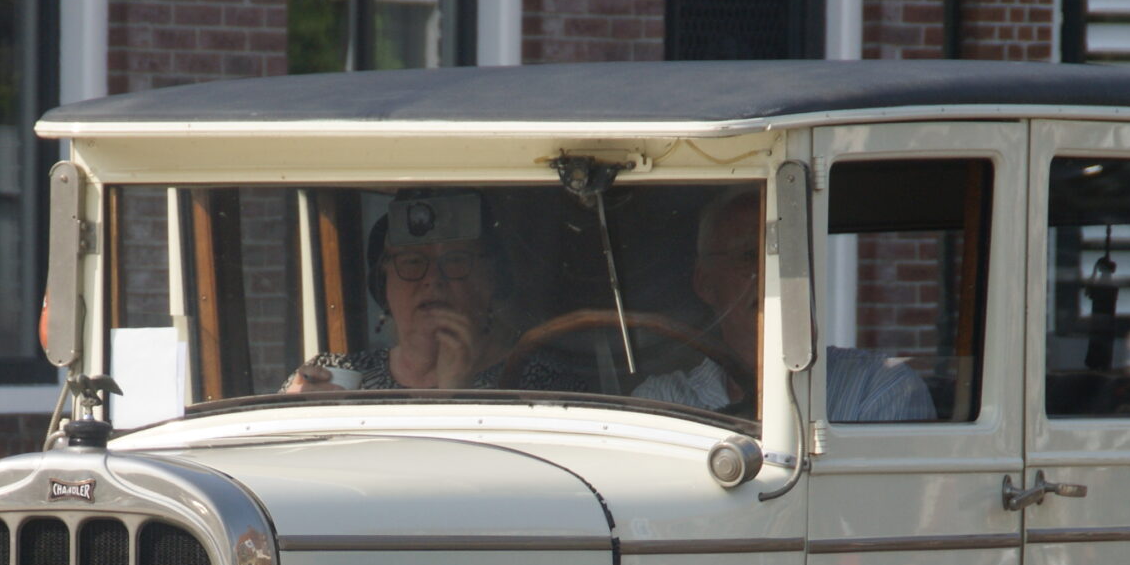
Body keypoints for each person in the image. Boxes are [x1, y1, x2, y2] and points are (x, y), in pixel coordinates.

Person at [634, 189, 936, 423]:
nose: (772, 274)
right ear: (705, 283)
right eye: (749, 255)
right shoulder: (661, 403)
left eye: (787, 258)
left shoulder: (879, 388)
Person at [284, 192, 569, 394]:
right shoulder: (334, 372)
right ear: (384, 283)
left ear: (493, 278)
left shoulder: (537, 381)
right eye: (412, 262)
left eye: (455, 260)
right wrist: (296, 413)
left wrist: (457, 391)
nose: (433, 280)